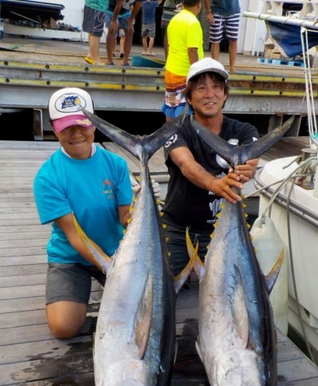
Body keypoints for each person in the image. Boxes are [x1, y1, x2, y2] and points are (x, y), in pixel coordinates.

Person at [33, 87, 158, 339]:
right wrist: (112, 269)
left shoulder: (116, 164)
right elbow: (74, 236)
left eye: (82, 124)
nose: (76, 133)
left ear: (93, 124)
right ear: (54, 127)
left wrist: (141, 204)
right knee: (63, 328)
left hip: (118, 253)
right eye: (66, 126)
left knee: (152, 313)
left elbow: (125, 218)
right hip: (72, 258)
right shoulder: (48, 177)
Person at [163, 58, 259, 275]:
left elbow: (252, 162)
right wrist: (214, 184)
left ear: (225, 94)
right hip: (178, 230)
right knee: (164, 290)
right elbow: (185, 163)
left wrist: (248, 169)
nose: (210, 94)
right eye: (201, 88)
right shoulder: (176, 131)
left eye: (216, 87)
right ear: (189, 97)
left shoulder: (244, 131)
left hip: (224, 231)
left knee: (232, 291)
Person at [161, 0, 204, 121]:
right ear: (199, 5)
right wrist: (196, 75)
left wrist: (168, 60)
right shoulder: (193, 23)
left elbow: (166, 42)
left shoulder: (174, 19)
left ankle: (170, 137)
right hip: (185, 74)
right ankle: (183, 137)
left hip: (171, 72)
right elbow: (192, 51)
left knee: (171, 107)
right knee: (185, 112)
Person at [204, 0, 241, 72]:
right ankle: (214, 67)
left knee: (233, 40)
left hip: (234, 12)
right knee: (215, 40)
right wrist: (208, 12)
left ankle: (232, 67)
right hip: (217, 11)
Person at [105, 0, 142, 66]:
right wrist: (113, 21)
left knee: (130, 31)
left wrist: (131, 19)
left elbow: (138, 5)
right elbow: (119, 5)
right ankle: (109, 60)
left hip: (125, 11)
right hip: (112, 9)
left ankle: (125, 61)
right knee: (112, 30)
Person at [83, 0, 108, 65]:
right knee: (96, 33)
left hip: (92, 5)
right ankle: (96, 59)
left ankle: (91, 54)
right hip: (97, 6)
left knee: (92, 31)